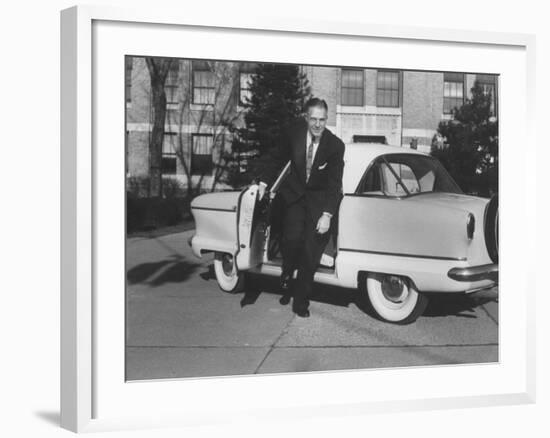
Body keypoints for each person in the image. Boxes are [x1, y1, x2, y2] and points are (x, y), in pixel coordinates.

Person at [258, 98, 345, 317]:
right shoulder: (293, 133)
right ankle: (286, 272)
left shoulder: (335, 146)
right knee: (291, 240)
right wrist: (263, 182)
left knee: (310, 255)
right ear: (306, 118)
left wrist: (327, 215)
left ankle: (300, 302)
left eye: (322, 120)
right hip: (294, 198)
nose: (317, 125)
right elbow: (277, 158)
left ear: (327, 120)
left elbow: (335, 185)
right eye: (313, 119)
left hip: (318, 204)